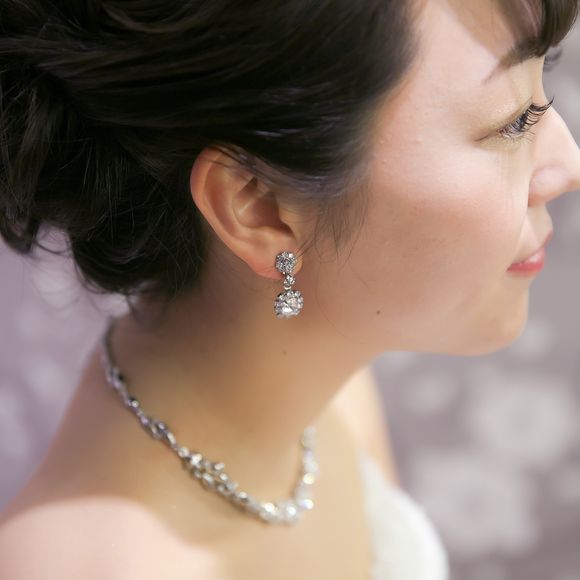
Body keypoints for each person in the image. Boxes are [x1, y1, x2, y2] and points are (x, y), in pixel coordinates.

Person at [1, 0, 580, 578]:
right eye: (513, 122)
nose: (569, 164)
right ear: (259, 208)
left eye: (543, 82)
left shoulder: (328, 387)